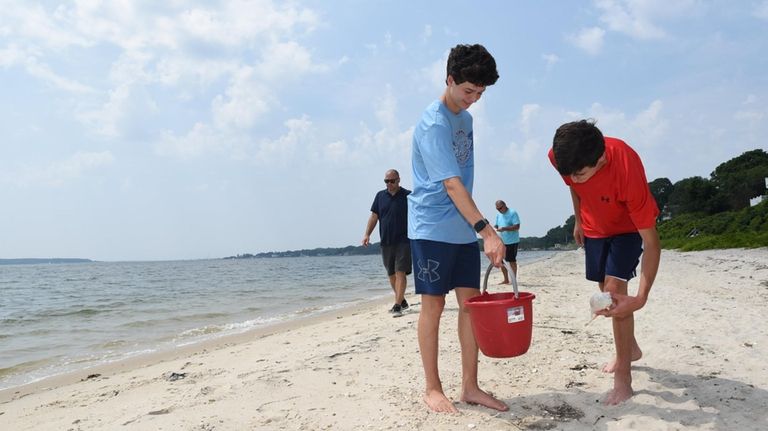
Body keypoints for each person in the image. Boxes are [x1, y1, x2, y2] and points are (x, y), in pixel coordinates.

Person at [408, 43, 507, 413]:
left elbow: (462, 180)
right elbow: (451, 183)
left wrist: (476, 228)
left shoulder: (465, 119)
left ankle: (470, 386)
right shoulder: (434, 123)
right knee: (433, 306)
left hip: (462, 228)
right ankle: (432, 388)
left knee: (470, 307)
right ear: (449, 79)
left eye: (480, 93)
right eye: (468, 91)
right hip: (432, 228)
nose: (474, 99)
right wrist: (487, 230)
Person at [548, 119, 661, 405]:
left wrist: (641, 298)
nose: (574, 178)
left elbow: (652, 243)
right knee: (605, 294)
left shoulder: (625, 166)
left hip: (626, 228)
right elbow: (572, 185)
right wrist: (578, 219)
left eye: (580, 173)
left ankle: (623, 377)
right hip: (594, 226)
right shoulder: (562, 155)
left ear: (601, 159)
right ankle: (630, 348)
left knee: (614, 292)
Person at [362, 169, 412, 317]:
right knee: (391, 274)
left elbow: (418, 216)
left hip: (404, 240)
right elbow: (374, 217)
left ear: (398, 180)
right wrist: (367, 234)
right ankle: (401, 300)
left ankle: (397, 306)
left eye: (392, 181)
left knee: (400, 272)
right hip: (386, 241)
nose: (389, 184)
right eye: (386, 181)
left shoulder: (408, 195)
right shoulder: (380, 196)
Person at [493, 200, 520, 284]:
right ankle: (506, 279)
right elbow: (497, 225)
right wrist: (495, 227)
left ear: (504, 205)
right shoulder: (498, 214)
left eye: (500, 208)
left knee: (511, 260)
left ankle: (513, 280)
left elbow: (517, 226)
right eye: (497, 209)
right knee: (502, 261)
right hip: (501, 241)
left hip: (512, 241)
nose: (499, 210)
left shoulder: (513, 213)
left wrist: (504, 228)